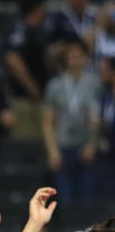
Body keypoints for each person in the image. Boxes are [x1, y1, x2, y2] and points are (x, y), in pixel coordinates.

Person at [43, 40, 101, 203]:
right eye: (71, 57)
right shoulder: (55, 85)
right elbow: (48, 122)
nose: (74, 61)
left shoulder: (94, 84)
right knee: (65, 198)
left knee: (87, 199)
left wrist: (92, 143)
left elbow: (96, 117)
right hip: (63, 145)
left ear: (85, 59)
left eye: (78, 56)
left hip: (85, 145)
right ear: (66, 60)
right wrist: (52, 150)